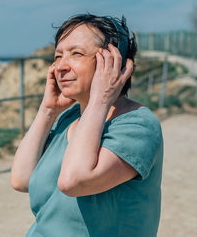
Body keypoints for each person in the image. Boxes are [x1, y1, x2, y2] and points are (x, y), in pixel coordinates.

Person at [11, 13, 163, 237]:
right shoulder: (69, 118)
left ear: (113, 60)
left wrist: (102, 99)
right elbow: (21, 179)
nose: (61, 66)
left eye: (76, 54)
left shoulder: (137, 125)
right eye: (58, 56)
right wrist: (48, 110)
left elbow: (74, 181)